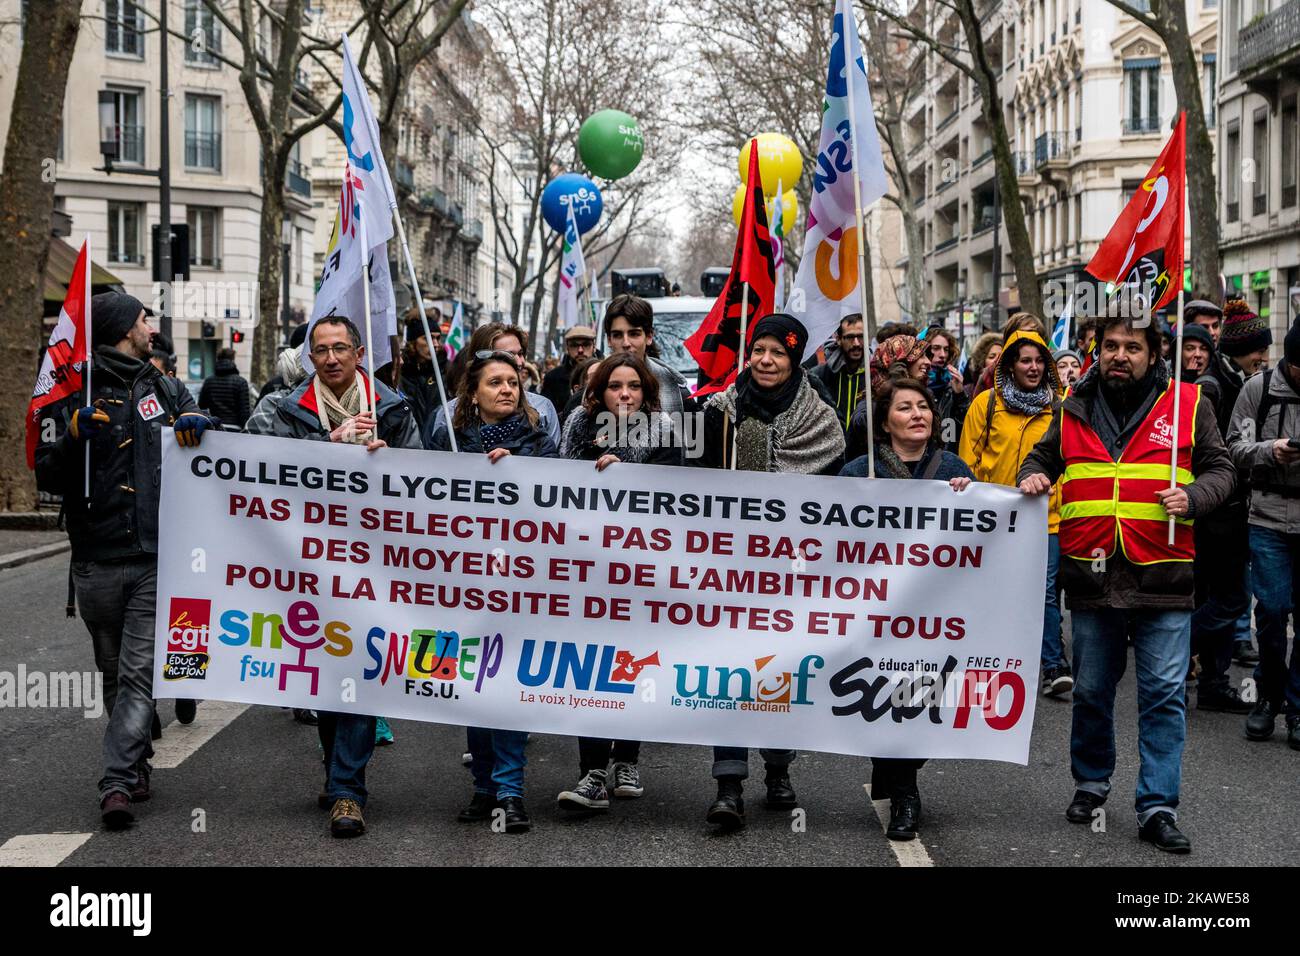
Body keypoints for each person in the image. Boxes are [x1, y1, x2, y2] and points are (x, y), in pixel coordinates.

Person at [1018, 312, 1236, 853]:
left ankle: (1157, 805)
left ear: (1154, 354)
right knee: (1092, 690)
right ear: (1097, 351)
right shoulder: (1071, 407)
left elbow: (1223, 471)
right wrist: (1033, 475)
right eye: (1111, 346)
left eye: (1132, 348)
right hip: (1092, 575)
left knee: (1163, 693)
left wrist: (1196, 497)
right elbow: (1042, 458)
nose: (1120, 356)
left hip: (1165, 573)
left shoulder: (1190, 405)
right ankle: (1091, 783)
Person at [34, 292, 215, 829]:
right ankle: (135, 760)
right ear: (121, 328)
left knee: (137, 675)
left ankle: (115, 782)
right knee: (112, 672)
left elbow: (208, 431)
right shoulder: (73, 392)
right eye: (142, 319)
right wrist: (70, 437)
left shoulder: (163, 385)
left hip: (155, 555)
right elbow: (44, 473)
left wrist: (200, 419)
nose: (150, 327)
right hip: (94, 558)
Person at [246, 316, 421, 838]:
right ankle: (337, 771)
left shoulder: (393, 408)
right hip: (307, 565)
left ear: (360, 352)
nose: (331, 358)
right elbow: (253, 461)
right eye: (320, 350)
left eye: (340, 348)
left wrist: (391, 465)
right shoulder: (281, 408)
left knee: (364, 671)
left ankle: (348, 791)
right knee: (324, 672)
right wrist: (327, 444)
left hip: (376, 568)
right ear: (309, 358)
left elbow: (427, 478)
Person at [692, 314, 845, 829]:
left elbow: (842, 496)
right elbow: (682, 468)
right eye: (758, 350)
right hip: (729, 568)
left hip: (793, 572)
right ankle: (729, 783)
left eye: (778, 352)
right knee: (728, 669)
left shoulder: (820, 421)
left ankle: (778, 768)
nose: (765, 360)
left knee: (780, 668)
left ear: (795, 356)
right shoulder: (721, 411)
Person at [428, 351, 558, 833]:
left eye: (514, 382)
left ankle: (510, 791)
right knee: (472, 685)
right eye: (496, 382)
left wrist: (518, 473)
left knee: (507, 688)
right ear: (472, 392)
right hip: (462, 585)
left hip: (520, 586)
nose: (507, 389)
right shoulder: (450, 440)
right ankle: (484, 788)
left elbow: (562, 505)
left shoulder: (541, 441)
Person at [840, 378, 974, 840]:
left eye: (924, 406)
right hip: (874, 609)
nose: (917, 414)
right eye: (904, 408)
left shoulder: (953, 468)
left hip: (934, 611)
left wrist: (967, 496)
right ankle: (904, 791)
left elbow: (979, 536)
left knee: (922, 694)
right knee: (885, 692)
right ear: (884, 422)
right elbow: (832, 536)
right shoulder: (859, 471)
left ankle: (901, 780)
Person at [554, 354, 683, 815]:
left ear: (646, 392)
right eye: (614, 386)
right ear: (599, 392)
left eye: (633, 386)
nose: (624, 394)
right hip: (589, 574)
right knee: (593, 667)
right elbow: (556, 486)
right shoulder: (576, 427)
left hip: (644, 574)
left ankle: (626, 758)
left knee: (632, 665)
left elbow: (676, 497)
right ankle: (592, 773)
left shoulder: (667, 431)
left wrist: (630, 471)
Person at [959, 328, 1072, 698]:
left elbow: (1069, 462)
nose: (1034, 367)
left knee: (1045, 593)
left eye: (1040, 361)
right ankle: (992, 661)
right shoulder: (986, 405)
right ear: (1010, 365)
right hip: (995, 521)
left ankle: (1053, 665)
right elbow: (968, 461)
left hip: (1046, 519)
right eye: (1026, 360)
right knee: (994, 590)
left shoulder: (1060, 407)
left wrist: (1056, 496)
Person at [1226, 316, 1300, 752]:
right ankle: (1267, 695)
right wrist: (1269, 452)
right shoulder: (1259, 389)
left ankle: (1296, 706)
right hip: (1269, 517)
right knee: (1271, 613)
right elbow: (1234, 448)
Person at [1199, 299, 1271, 668]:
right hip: (1219, 511)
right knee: (1230, 598)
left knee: (1226, 594)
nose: (1264, 356)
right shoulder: (1213, 386)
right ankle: (1179, 643)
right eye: (1259, 349)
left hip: (1232, 507)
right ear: (1241, 350)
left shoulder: (1240, 379)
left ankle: (1214, 679)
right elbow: (1210, 451)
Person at [434, 324, 563, 448]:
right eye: (508, 355)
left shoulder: (543, 409)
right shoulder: (449, 414)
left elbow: (550, 465)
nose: (519, 362)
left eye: (521, 353)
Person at [602, 294, 693, 416]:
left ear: (649, 337)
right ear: (609, 340)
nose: (626, 343)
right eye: (617, 335)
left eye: (634, 334)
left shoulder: (676, 389)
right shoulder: (592, 390)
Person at [808, 313, 868, 432]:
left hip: (865, 450)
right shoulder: (818, 376)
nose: (856, 343)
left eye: (861, 336)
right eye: (850, 337)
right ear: (839, 339)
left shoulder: (874, 375)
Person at [399, 311, 449, 433]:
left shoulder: (446, 371)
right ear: (413, 342)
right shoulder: (400, 372)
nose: (436, 344)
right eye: (428, 338)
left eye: (438, 338)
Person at [921, 326, 968, 450]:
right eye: (936, 348)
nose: (942, 355)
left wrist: (960, 394)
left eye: (946, 350)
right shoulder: (914, 387)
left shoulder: (952, 386)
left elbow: (964, 430)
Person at [541, 325, 596, 411]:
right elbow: (546, 412)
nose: (580, 350)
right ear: (567, 348)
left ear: (594, 346)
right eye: (574, 345)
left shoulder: (606, 373)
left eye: (586, 345)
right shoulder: (553, 378)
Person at [198, 347, 251, 428]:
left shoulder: (209, 381)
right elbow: (244, 411)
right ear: (233, 360)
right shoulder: (241, 382)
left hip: (215, 426)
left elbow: (201, 407)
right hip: (235, 428)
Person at [966, 332, 1002, 398]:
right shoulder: (968, 391)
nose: (997, 360)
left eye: (1001, 356)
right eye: (992, 357)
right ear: (982, 363)